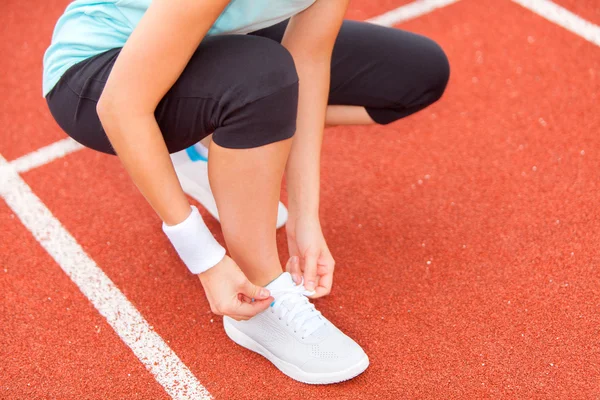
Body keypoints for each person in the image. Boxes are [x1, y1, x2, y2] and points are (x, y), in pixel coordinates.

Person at [43, 0, 449, 384]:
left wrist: (306, 217)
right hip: (97, 75)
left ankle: (219, 147)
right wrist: (203, 257)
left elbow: (308, 61)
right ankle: (260, 300)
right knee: (261, 75)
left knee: (415, 72)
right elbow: (119, 106)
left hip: (202, 42)